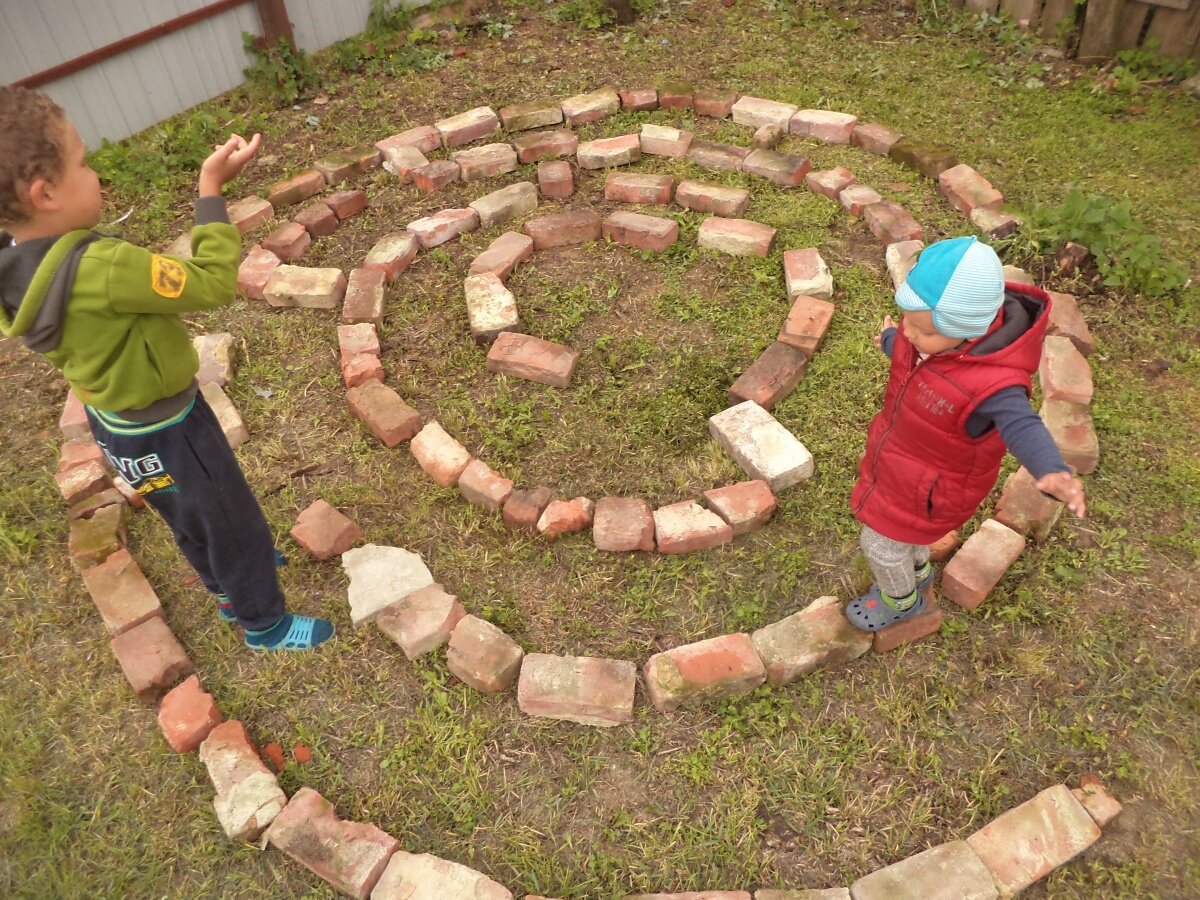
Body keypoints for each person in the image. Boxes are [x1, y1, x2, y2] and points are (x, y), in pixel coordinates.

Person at [0, 87, 334, 651]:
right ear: (46, 192)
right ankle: (263, 622)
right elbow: (210, 283)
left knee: (184, 510)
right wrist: (210, 192)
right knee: (233, 520)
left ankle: (225, 585)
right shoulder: (103, 266)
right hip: (172, 425)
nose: (95, 172)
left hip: (117, 425)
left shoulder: (13, 269)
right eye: (83, 163)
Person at [846, 236, 1086, 631]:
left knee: (879, 544)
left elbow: (1022, 424)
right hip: (901, 464)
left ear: (968, 331)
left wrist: (1050, 468)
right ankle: (919, 572)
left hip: (934, 487)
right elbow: (909, 354)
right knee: (906, 536)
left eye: (921, 329)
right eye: (905, 320)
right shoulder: (930, 341)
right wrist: (890, 340)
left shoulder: (996, 386)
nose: (909, 333)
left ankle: (901, 601)